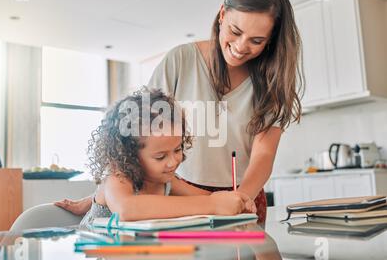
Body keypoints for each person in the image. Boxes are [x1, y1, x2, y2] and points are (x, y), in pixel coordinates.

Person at [56, 0, 303, 223]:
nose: (240, 46)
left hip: (242, 193)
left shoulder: (272, 81)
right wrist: (99, 195)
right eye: (235, 31)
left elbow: (264, 154)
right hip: (177, 190)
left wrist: (241, 199)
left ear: (270, 40)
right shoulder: (180, 60)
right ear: (222, 15)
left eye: (256, 41)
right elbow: (133, 130)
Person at [78, 88, 256, 228]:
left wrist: (235, 200)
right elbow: (127, 209)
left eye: (177, 149)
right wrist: (211, 204)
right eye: (160, 156)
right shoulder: (117, 176)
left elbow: (208, 197)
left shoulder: (166, 180)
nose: (172, 162)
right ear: (129, 155)